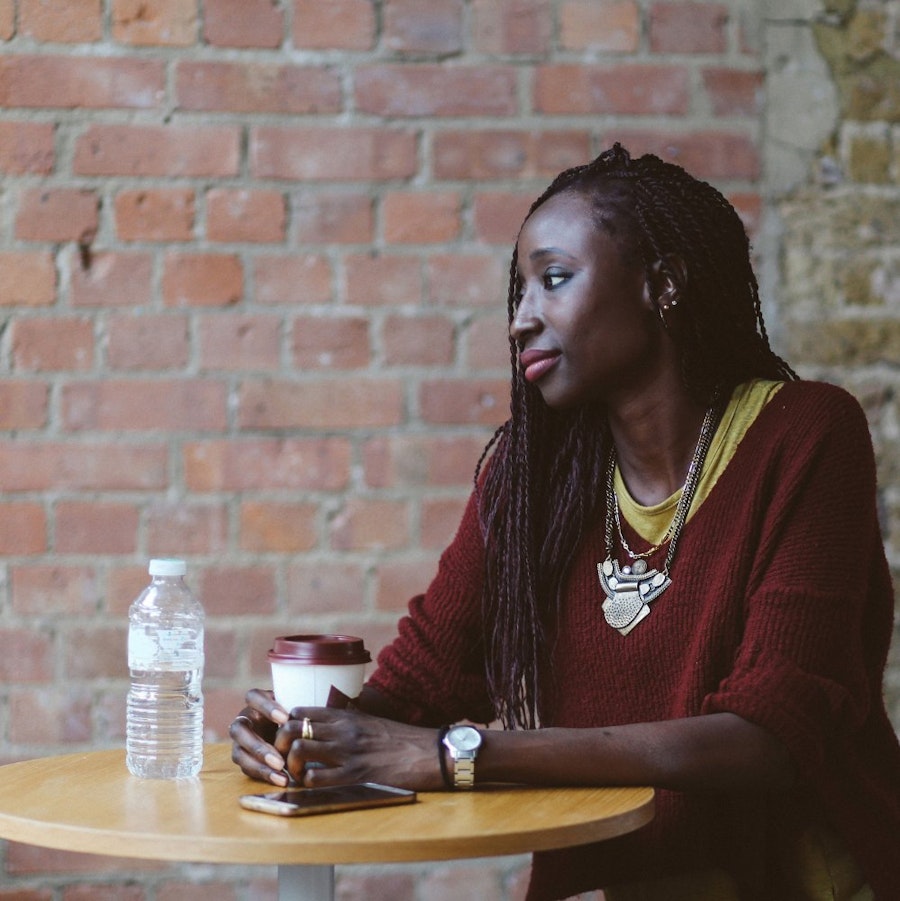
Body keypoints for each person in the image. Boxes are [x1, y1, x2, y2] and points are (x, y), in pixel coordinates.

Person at [230, 144, 900, 900]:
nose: (521, 320)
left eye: (553, 279)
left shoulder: (806, 434)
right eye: (519, 291)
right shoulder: (537, 478)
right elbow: (417, 689)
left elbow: (770, 735)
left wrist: (460, 754)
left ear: (662, 283)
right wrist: (300, 736)